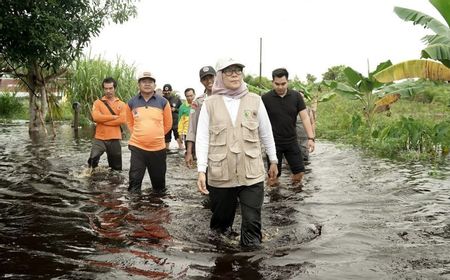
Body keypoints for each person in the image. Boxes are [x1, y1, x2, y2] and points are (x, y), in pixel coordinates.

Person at [196, 57, 278, 248]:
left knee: (252, 224)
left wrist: (273, 160)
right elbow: (202, 139)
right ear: (220, 76)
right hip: (220, 174)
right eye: (229, 71)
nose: (234, 74)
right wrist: (201, 171)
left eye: (238, 70)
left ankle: (250, 263)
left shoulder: (255, 100)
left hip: (252, 173)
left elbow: (266, 133)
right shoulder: (210, 104)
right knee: (220, 230)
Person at [262, 68, 315, 186]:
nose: (280, 87)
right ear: (272, 82)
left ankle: (292, 197)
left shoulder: (296, 97)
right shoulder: (265, 99)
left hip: (292, 141)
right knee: (273, 177)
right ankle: (275, 199)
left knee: (299, 173)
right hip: (273, 143)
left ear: (288, 81)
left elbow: (305, 118)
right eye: (277, 84)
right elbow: (259, 121)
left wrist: (311, 138)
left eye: (283, 84)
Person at [126, 71, 172, 193]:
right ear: (139, 84)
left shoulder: (163, 102)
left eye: (150, 82)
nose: (147, 84)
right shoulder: (131, 102)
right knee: (134, 185)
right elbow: (129, 123)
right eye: (144, 81)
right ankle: (134, 210)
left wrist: (156, 136)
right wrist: (138, 135)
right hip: (137, 148)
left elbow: (168, 124)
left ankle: (157, 210)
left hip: (158, 149)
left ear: (154, 85)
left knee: (159, 187)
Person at [87, 77, 126, 171]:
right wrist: (113, 117)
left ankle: (114, 183)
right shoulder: (98, 103)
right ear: (103, 89)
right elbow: (96, 117)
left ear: (115, 88)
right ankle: (91, 180)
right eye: (106, 88)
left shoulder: (122, 104)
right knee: (92, 160)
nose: (108, 91)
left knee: (116, 168)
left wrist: (102, 120)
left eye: (110, 88)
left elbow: (122, 120)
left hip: (115, 138)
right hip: (100, 138)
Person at [185, 65, 216, 168]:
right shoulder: (198, 102)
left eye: (211, 77)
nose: (209, 81)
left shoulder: (226, 98)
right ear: (201, 81)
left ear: (216, 77)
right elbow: (192, 127)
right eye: (205, 79)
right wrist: (189, 152)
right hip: (205, 145)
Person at [296, 91, 316, 164]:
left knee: (305, 159)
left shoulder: (308, 109)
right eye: (299, 97)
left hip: (305, 138)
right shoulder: (291, 108)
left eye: (302, 97)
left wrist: (313, 136)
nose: (300, 98)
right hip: (293, 138)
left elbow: (312, 123)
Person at [162, 84, 183, 150]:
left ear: (171, 91)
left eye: (168, 91)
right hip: (165, 122)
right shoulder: (160, 100)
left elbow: (182, 110)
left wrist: (175, 109)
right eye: (165, 91)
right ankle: (167, 151)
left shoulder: (176, 99)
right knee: (167, 138)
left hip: (175, 122)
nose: (167, 92)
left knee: (178, 137)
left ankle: (181, 149)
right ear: (163, 91)